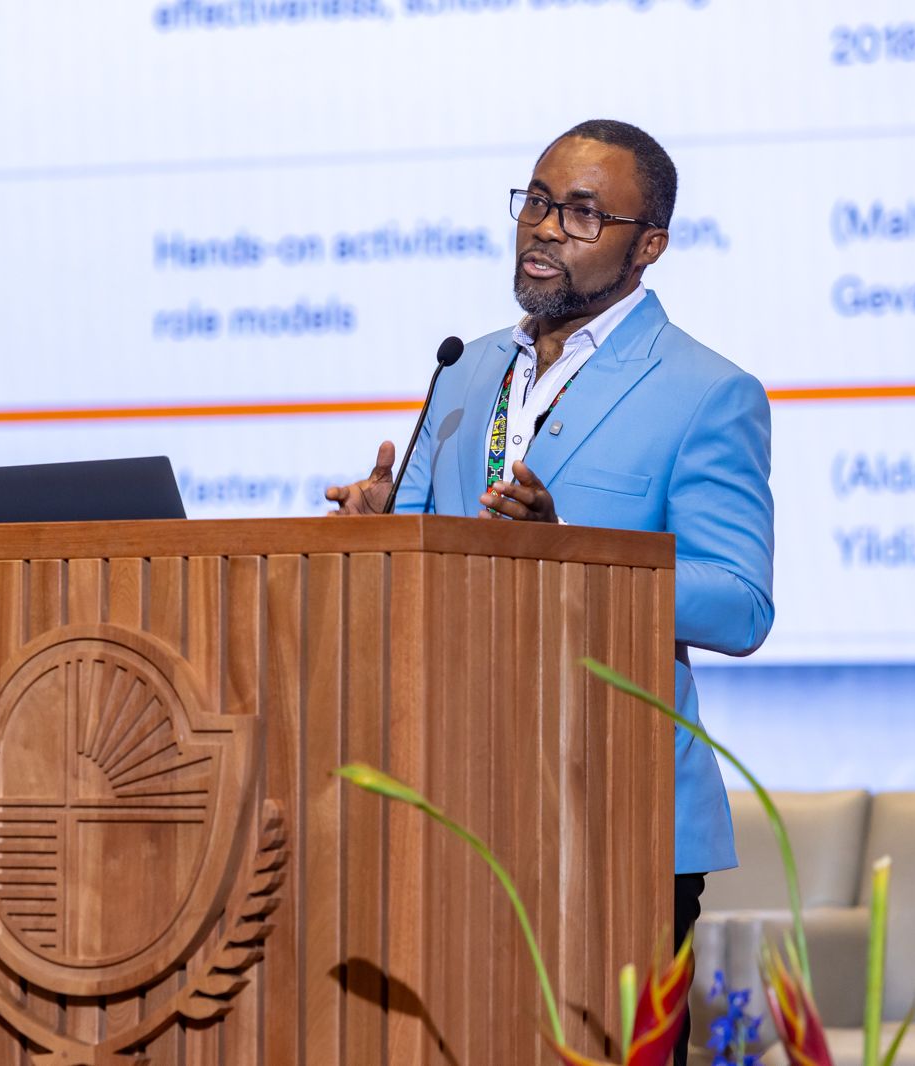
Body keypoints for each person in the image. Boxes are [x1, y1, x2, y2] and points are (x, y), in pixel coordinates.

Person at [325, 119, 774, 1062]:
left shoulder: (707, 392)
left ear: (649, 245)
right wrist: (380, 525)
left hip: (615, 812)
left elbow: (740, 603)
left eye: (581, 213)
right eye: (535, 201)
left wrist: (568, 556)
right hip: (453, 796)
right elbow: (430, 546)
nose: (543, 227)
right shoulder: (467, 368)